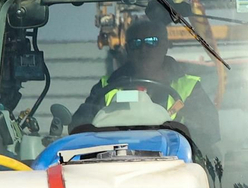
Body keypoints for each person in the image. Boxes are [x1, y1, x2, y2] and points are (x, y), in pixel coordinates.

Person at [72, 17, 220, 145]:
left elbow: (208, 132)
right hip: (115, 164)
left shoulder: (188, 87)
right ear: (128, 50)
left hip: (176, 164)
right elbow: (80, 126)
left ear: (164, 46)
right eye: (136, 43)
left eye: (151, 41)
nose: (143, 49)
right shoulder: (107, 86)